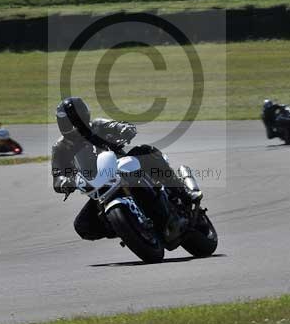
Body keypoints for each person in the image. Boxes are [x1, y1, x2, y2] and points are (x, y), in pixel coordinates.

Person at [51, 97, 198, 241]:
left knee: (145, 151)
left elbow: (118, 125)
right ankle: (129, 228)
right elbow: (57, 176)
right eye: (68, 123)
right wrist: (64, 182)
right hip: (99, 188)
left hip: (123, 169)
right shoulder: (60, 148)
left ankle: (183, 191)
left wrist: (124, 129)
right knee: (83, 226)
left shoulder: (98, 125)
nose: (74, 126)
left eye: (76, 121)